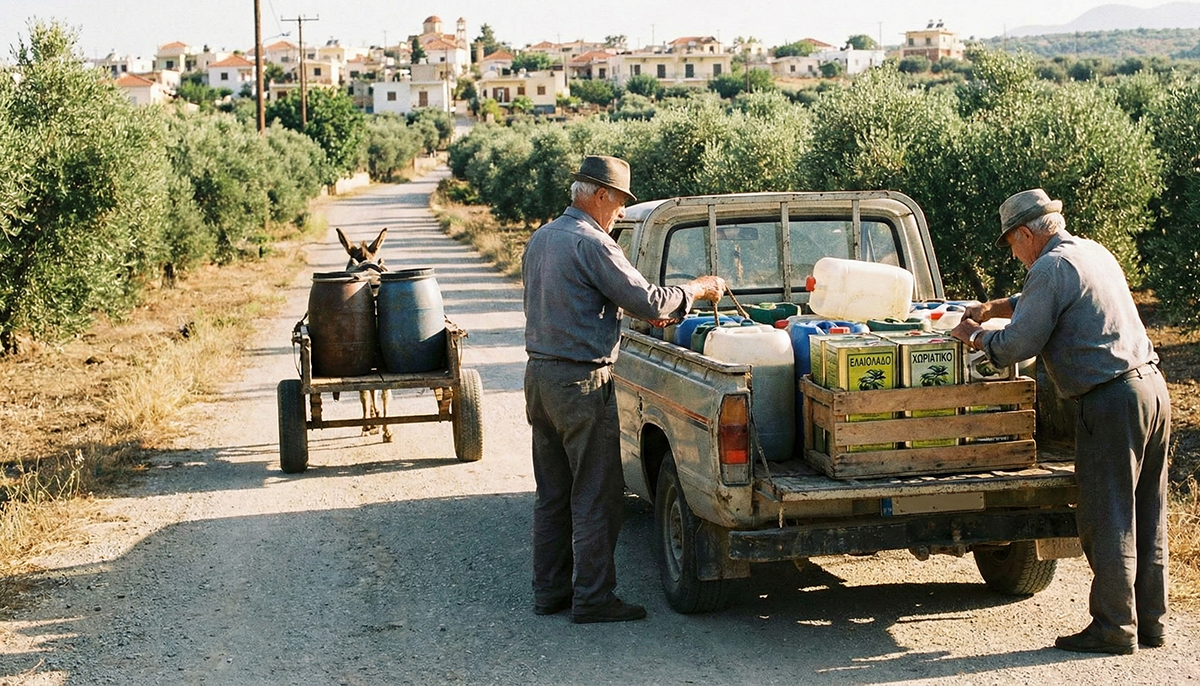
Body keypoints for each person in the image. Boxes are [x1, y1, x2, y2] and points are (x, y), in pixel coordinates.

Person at [951, 188, 1171, 655]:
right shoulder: (1089, 251)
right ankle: (1150, 625)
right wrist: (993, 307)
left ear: (1027, 234)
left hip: (1110, 400)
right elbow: (1039, 296)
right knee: (1147, 513)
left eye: (1012, 244)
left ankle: (1114, 628)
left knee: (1107, 517)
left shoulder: (1049, 267)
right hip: (1151, 389)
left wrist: (975, 335)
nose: (1014, 254)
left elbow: (1018, 345)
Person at [522, 155, 725, 623]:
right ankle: (593, 598)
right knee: (596, 493)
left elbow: (562, 303)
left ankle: (549, 592)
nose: (619, 213)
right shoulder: (592, 243)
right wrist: (697, 288)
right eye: (619, 203)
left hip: (540, 377)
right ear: (598, 195)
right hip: (581, 382)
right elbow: (648, 302)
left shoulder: (542, 238)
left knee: (553, 493)